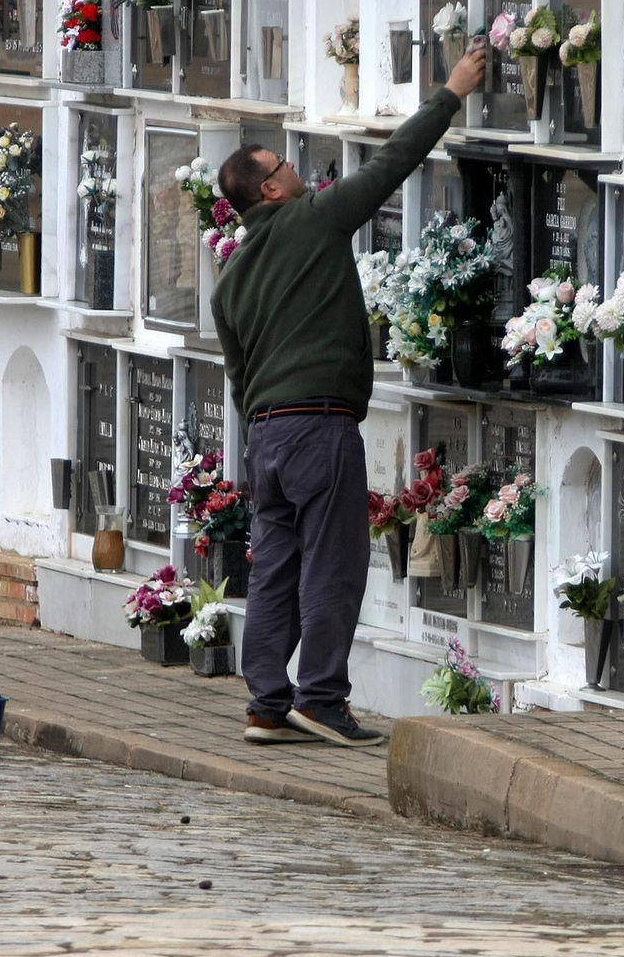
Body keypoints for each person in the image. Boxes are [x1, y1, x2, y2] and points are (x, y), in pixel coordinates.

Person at [212, 43, 487, 748]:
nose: (295, 169)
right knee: (334, 564)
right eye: (281, 167)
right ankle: (323, 698)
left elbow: (239, 377)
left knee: (273, 568)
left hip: (266, 437)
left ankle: (266, 702)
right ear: (269, 191)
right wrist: (452, 90)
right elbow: (392, 162)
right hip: (319, 429)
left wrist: (257, 443)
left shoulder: (230, 280)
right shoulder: (315, 220)